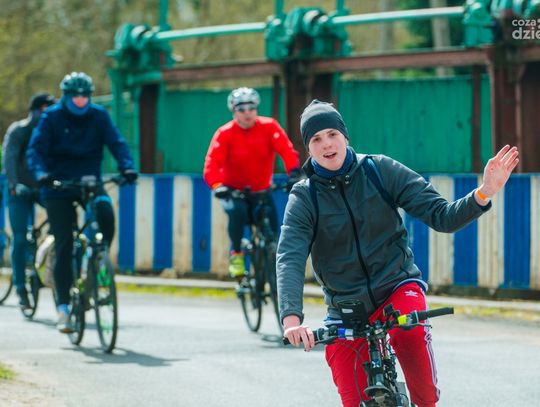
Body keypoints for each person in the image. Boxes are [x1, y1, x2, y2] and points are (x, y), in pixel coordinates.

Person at [277, 100, 519, 407]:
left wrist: (484, 192)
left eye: (332, 134)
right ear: (308, 149)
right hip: (345, 307)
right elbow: (290, 256)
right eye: (316, 139)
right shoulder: (304, 196)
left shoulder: (380, 170)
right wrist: (291, 319)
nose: (326, 144)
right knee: (353, 399)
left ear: (345, 136)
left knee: (412, 341)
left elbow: (441, 216)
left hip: (396, 287)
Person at [27, 72, 138, 333]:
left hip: (89, 181)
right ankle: (63, 308)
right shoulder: (51, 117)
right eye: (75, 96)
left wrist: (127, 167)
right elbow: (36, 150)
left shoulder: (99, 116)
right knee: (64, 242)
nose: (80, 100)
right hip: (57, 185)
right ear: (66, 97)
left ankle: (98, 259)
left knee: (105, 212)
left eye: (85, 96)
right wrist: (41, 174)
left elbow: (117, 143)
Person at [203, 87, 301, 278]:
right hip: (233, 192)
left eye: (251, 108)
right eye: (241, 109)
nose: (247, 113)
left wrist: (294, 173)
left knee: (274, 231)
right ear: (234, 111)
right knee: (237, 214)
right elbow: (211, 164)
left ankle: (275, 271)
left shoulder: (270, 127)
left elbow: (287, 151)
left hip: (262, 191)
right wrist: (217, 186)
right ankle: (237, 255)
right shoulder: (224, 133)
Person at [2, 93, 55, 310]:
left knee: (62, 224)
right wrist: (15, 184)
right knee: (20, 237)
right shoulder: (18, 131)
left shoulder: (51, 132)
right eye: (42, 110)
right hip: (19, 190)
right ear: (33, 111)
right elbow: (9, 159)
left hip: (41, 189)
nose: (46, 114)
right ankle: (20, 287)